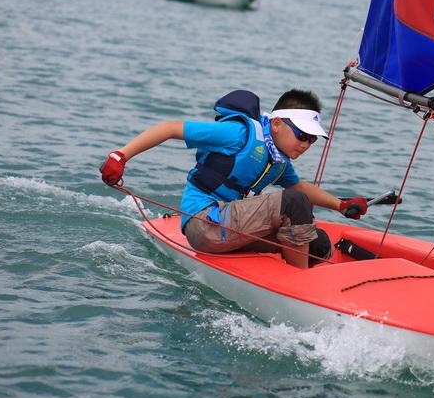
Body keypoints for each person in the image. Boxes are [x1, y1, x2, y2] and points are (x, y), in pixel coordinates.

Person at [100, 89, 368, 269]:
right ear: (276, 124)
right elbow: (171, 128)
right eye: (302, 135)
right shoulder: (238, 134)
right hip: (203, 226)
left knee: (318, 242)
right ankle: (301, 285)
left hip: (231, 228)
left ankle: (296, 276)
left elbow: (298, 186)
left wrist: (341, 205)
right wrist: (120, 156)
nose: (306, 144)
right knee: (295, 203)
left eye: (312, 139)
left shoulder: (277, 160)